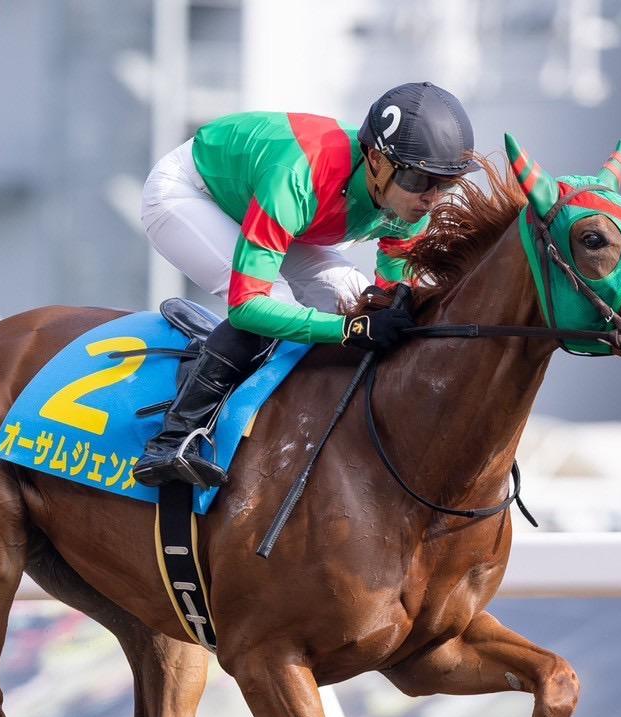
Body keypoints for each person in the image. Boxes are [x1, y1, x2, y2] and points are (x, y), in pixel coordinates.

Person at [133, 81, 477, 488]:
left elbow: (391, 298)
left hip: (278, 207)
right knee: (275, 302)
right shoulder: (297, 176)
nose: (432, 199)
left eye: (446, 183)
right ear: (376, 160)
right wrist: (350, 329)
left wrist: (377, 317)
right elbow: (248, 307)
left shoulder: (413, 201)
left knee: (351, 295)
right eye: (419, 180)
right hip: (190, 193)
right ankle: (173, 441)